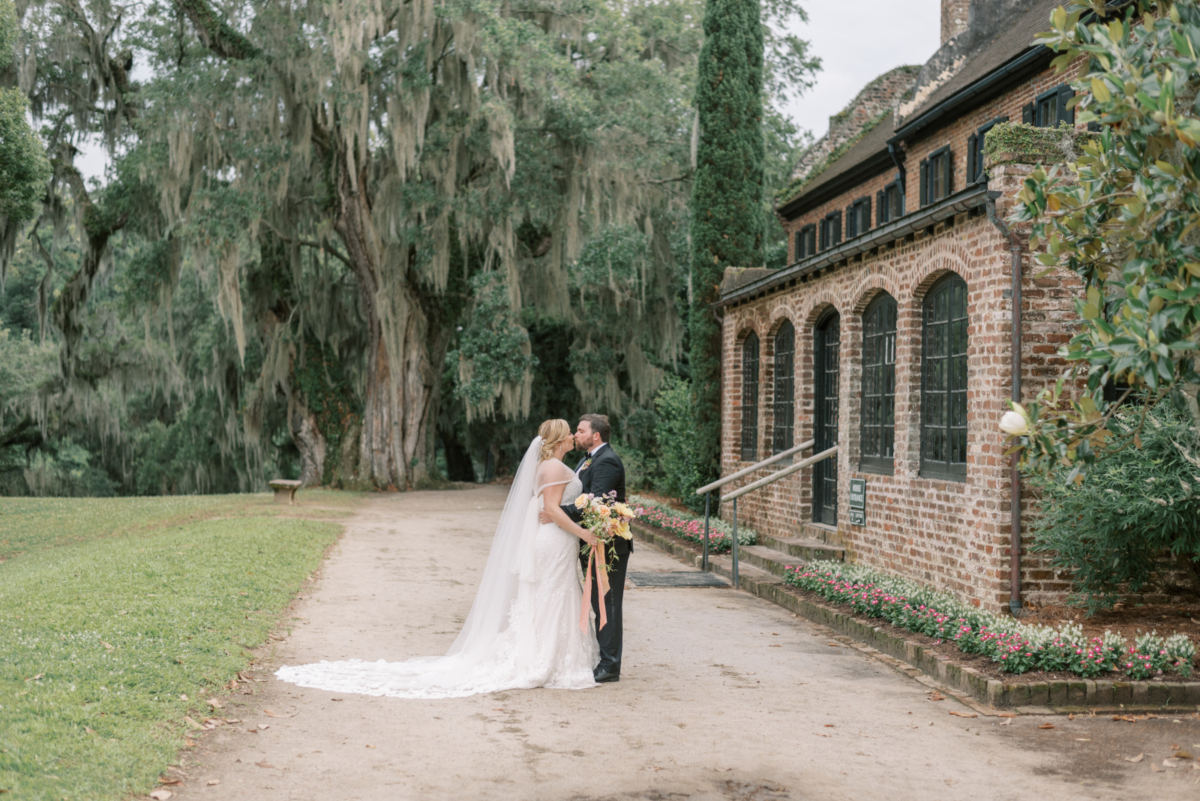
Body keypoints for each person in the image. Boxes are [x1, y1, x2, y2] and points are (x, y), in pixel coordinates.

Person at [275, 420, 600, 698]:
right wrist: (585, 533)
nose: (574, 436)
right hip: (556, 539)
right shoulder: (555, 467)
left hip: (554, 541)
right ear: (558, 439)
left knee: (550, 595)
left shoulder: (546, 466)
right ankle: (549, 659)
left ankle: (548, 653)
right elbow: (553, 510)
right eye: (570, 432)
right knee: (553, 595)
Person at [541, 414, 629, 683]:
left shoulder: (608, 461)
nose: (575, 435)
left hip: (607, 543)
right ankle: (602, 657)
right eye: (575, 431)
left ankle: (610, 665)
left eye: (580, 431)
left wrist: (555, 512)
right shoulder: (586, 459)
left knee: (608, 602)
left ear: (596, 436)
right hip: (588, 540)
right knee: (596, 600)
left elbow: (594, 501)